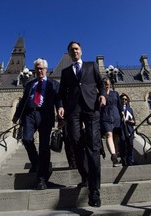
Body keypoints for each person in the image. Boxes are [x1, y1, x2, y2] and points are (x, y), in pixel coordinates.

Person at [58, 41, 106, 208]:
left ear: (81, 51)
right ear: (69, 53)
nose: (74, 51)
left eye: (76, 49)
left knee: (93, 147)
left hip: (91, 108)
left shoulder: (91, 66)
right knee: (76, 143)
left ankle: (94, 192)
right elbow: (61, 93)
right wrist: (61, 106)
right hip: (74, 111)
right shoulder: (65, 72)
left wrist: (103, 95)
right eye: (71, 50)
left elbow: (101, 83)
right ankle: (84, 176)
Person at [12, 58, 61, 190]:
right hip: (29, 114)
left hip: (45, 114)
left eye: (41, 68)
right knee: (27, 139)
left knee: (44, 146)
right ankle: (36, 162)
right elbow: (23, 101)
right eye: (37, 69)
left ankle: (41, 179)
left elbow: (58, 99)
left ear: (46, 69)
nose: (39, 71)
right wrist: (16, 115)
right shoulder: (30, 84)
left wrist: (60, 110)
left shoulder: (53, 84)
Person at [100, 77, 123, 167]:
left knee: (116, 138)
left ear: (110, 84)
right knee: (109, 135)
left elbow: (120, 106)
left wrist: (122, 114)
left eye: (107, 83)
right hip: (105, 117)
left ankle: (116, 155)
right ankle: (113, 156)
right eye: (104, 84)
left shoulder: (115, 93)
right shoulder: (100, 94)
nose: (106, 85)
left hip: (116, 116)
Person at [119, 93, 136, 166]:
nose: (124, 100)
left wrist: (129, 121)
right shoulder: (118, 108)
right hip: (121, 129)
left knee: (130, 145)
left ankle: (131, 161)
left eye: (125, 99)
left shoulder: (130, 109)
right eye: (122, 99)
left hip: (129, 129)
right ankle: (124, 161)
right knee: (123, 144)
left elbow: (134, 121)